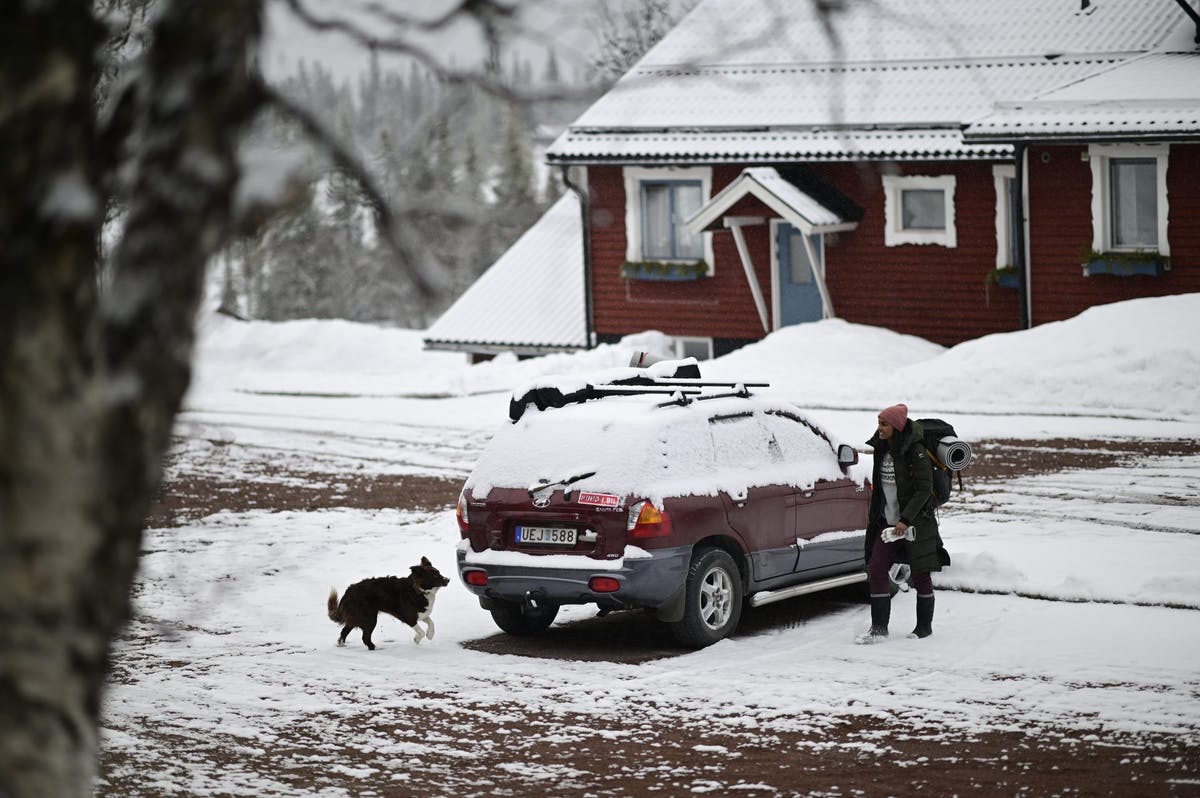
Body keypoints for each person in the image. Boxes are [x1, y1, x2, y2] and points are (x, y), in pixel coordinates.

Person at [856, 403, 944, 644]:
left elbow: (925, 489)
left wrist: (905, 520)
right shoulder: (881, 449)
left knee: (920, 573)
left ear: (896, 426)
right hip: (887, 524)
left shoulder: (915, 451)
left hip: (915, 523)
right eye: (878, 422)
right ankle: (878, 628)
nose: (879, 428)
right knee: (876, 568)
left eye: (884, 424)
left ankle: (924, 627)